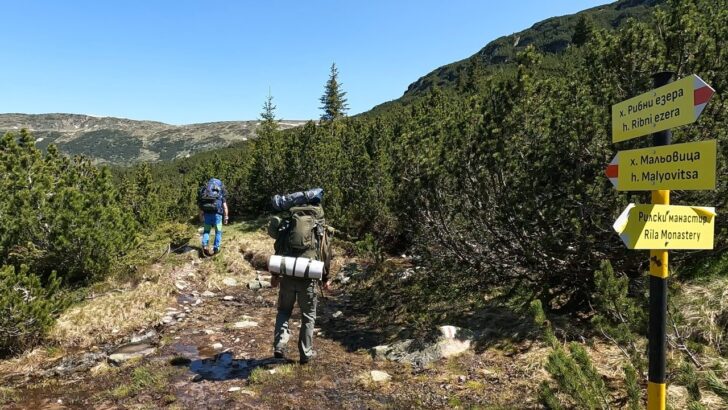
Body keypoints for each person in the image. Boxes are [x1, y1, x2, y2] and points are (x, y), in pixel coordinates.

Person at [269, 194, 332, 364]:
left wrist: (275, 275)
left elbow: (279, 248)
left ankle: (280, 345)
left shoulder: (290, 221)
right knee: (308, 316)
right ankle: (305, 354)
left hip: (288, 273)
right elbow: (325, 253)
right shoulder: (318, 224)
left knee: (283, 311)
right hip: (308, 275)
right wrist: (326, 277)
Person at [197, 177, 228, 256]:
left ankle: (205, 245)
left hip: (207, 214)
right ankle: (216, 248)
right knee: (218, 232)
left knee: (206, 231)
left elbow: (201, 206)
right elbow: (225, 207)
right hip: (217, 215)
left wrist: (201, 216)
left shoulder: (206, 191)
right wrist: (226, 217)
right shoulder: (220, 193)